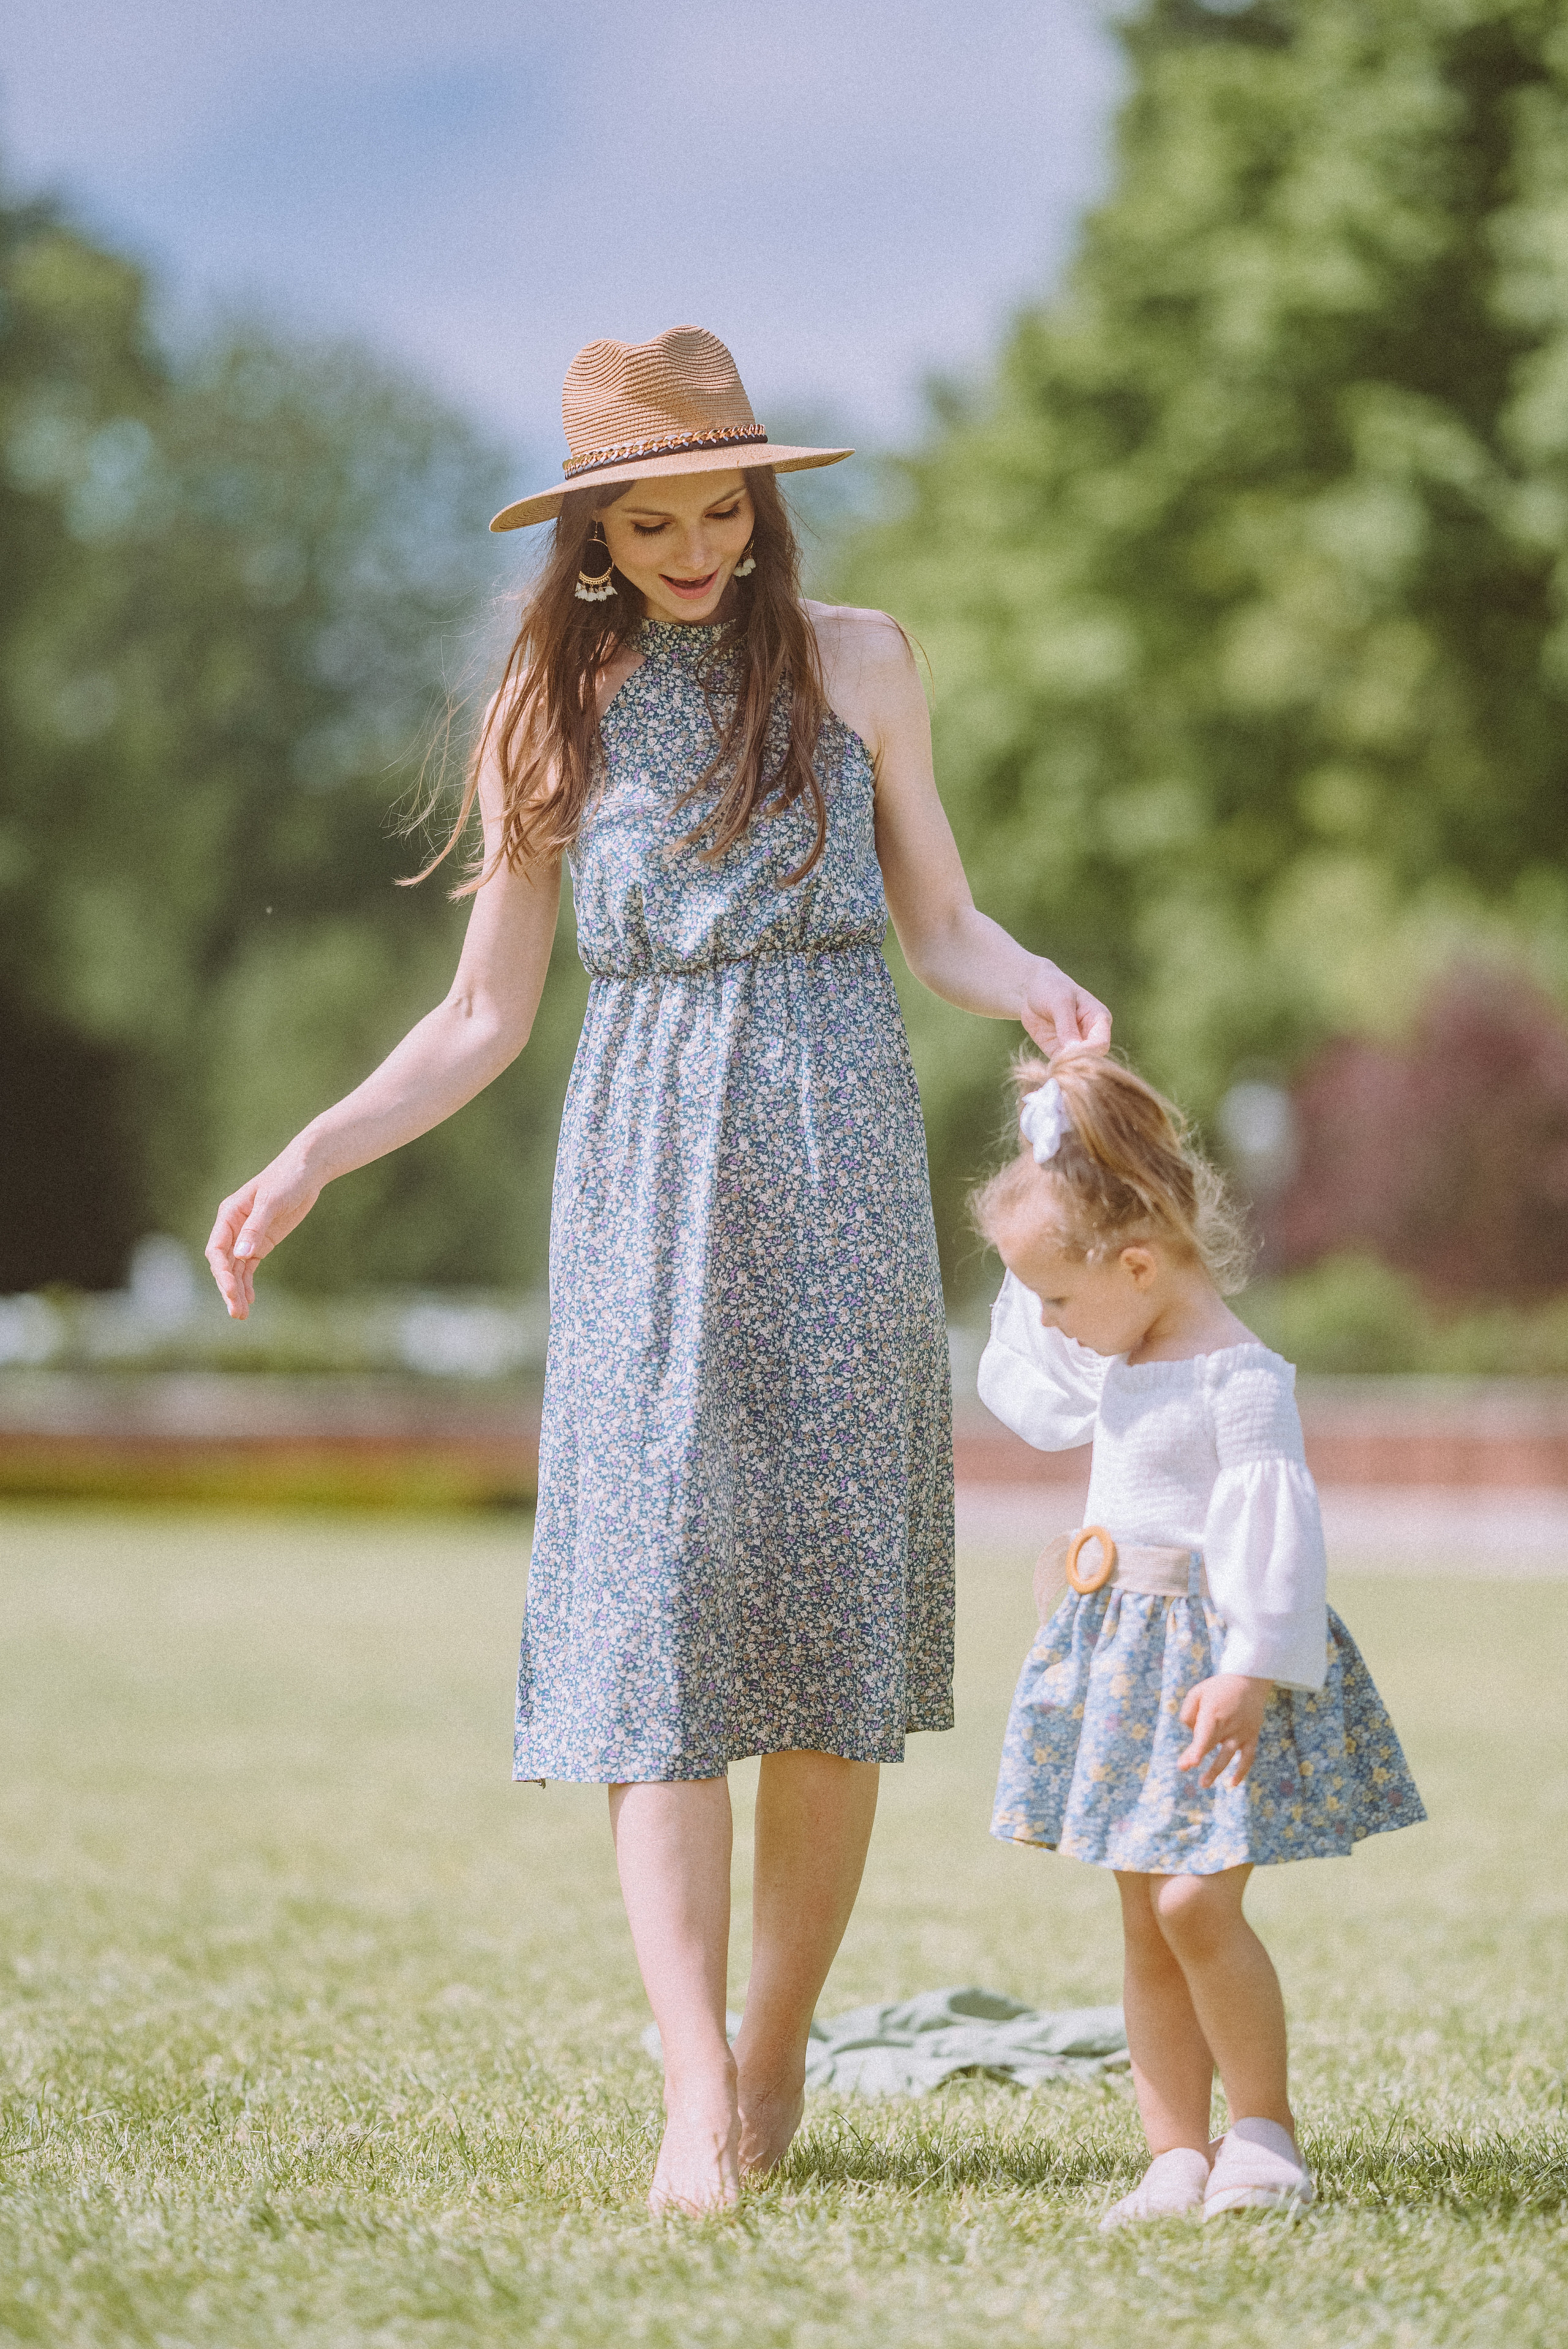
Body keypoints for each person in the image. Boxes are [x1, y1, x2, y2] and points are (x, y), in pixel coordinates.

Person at [205, 325, 1112, 2217]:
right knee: (655, 1634)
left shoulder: (861, 661)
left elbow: (937, 921)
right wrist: (308, 1152)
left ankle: (775, 2053)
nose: (701, 547)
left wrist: (1026, 980)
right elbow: (477, 1018)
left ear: (764, 500)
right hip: (640, 1184)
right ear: (592, 533)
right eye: (657, 519)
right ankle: (695, 2094)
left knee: (827, 1637)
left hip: (837, 1158)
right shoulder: (553, 704)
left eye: (726, 508)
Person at [971, 1047, 1424, 2225]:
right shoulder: (1120, 1349)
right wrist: (1052, 1148)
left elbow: (1278, 1536)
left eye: (1065, 1299)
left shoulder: (1237, 1379)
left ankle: (1261, 2131)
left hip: (1216, 1678)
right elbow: (1028, 1371)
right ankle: (1174, 2150)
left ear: (1135, 1262)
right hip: (1126, 1666)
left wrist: (1249, 1671)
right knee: (1140, 1907)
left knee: (1193, 1904)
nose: (1058, 1324)